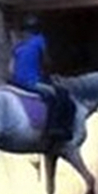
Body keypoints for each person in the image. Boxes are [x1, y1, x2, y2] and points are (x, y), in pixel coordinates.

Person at [7, 15, 74, 145]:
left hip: (15, 83)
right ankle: (53, 129)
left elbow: (10, 69)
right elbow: (46, 61)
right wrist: (50, 74)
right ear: (37, 29)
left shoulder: (18, 45)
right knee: (59, 95)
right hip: (32, 82)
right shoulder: (40, 40)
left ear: (24, 30)